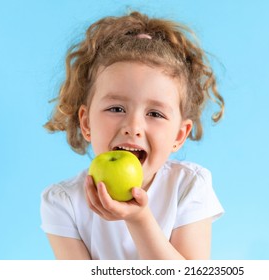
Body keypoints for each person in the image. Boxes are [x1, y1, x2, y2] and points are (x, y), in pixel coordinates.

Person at [40, 11, 225, 260]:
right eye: (116, 109)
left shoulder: (189, 186)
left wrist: (139, 219)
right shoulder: (63, 202)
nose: (133, 126)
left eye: (155, 114)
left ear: (179, 137)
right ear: (86, 123)